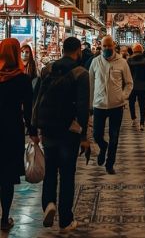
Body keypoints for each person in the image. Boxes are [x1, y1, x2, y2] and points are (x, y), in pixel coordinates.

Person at [31, 36, 90, 232]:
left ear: (63, 49)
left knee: (50, 170)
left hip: (48, 128)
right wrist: (84, 136)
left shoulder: (47, 69)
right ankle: (65, 220)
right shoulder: (81, 73)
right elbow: (83, 107)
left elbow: (37, 100)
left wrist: (33, 129)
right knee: (67, 174)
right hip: (69, 130)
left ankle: (48, 203)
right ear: (78, 51)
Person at [0, 38, 36, 231]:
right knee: (6, 176)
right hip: (12, 130)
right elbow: (28, 110)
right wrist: (32, 132)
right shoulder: (22, 79)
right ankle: (4, 218)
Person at [88, 35, 133, 174]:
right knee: (97, 135)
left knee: (114, 136)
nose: (107, 48)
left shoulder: (122, 63)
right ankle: (103, 147)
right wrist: (90, 105)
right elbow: (90, 84)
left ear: (114, 45)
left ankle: (110, 163)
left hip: (116, 106)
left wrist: (122, 97)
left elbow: (129, 83)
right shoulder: (95, 62)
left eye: (109, 45)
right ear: (101, 47)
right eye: (104, 46)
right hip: (99, 105)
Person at [127, 43, 145, 131]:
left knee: (131, 103)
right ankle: (142, 123)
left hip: (131, 86)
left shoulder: (128, 61)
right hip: (144, 87)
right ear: (142, 51)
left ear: (133, 51)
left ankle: (133, 118)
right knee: (142, 105)